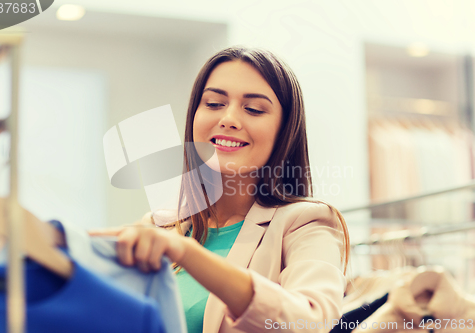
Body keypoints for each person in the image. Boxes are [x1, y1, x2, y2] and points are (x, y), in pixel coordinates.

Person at [89, 46, 351, 333]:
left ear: (284, 130)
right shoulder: (160, 226)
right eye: (214, 104)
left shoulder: (308, 223)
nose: (228, 119)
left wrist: (188, 254)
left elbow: (310, 323)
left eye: (253, 109)